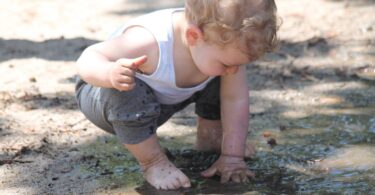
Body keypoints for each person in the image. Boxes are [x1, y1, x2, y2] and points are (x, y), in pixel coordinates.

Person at [75, 0, 278, 190]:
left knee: (221, 75)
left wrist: (233, 156)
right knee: (128, 90)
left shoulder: (218, 49)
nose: (233, 70)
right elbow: (88, 57)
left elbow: (235, 99)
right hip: (104, 97)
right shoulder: (150, 42)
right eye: (227, 63)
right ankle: (153, 162)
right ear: (193, 36)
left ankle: (211, 136)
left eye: (239, 63)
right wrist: (109, 73)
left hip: (162, 100)